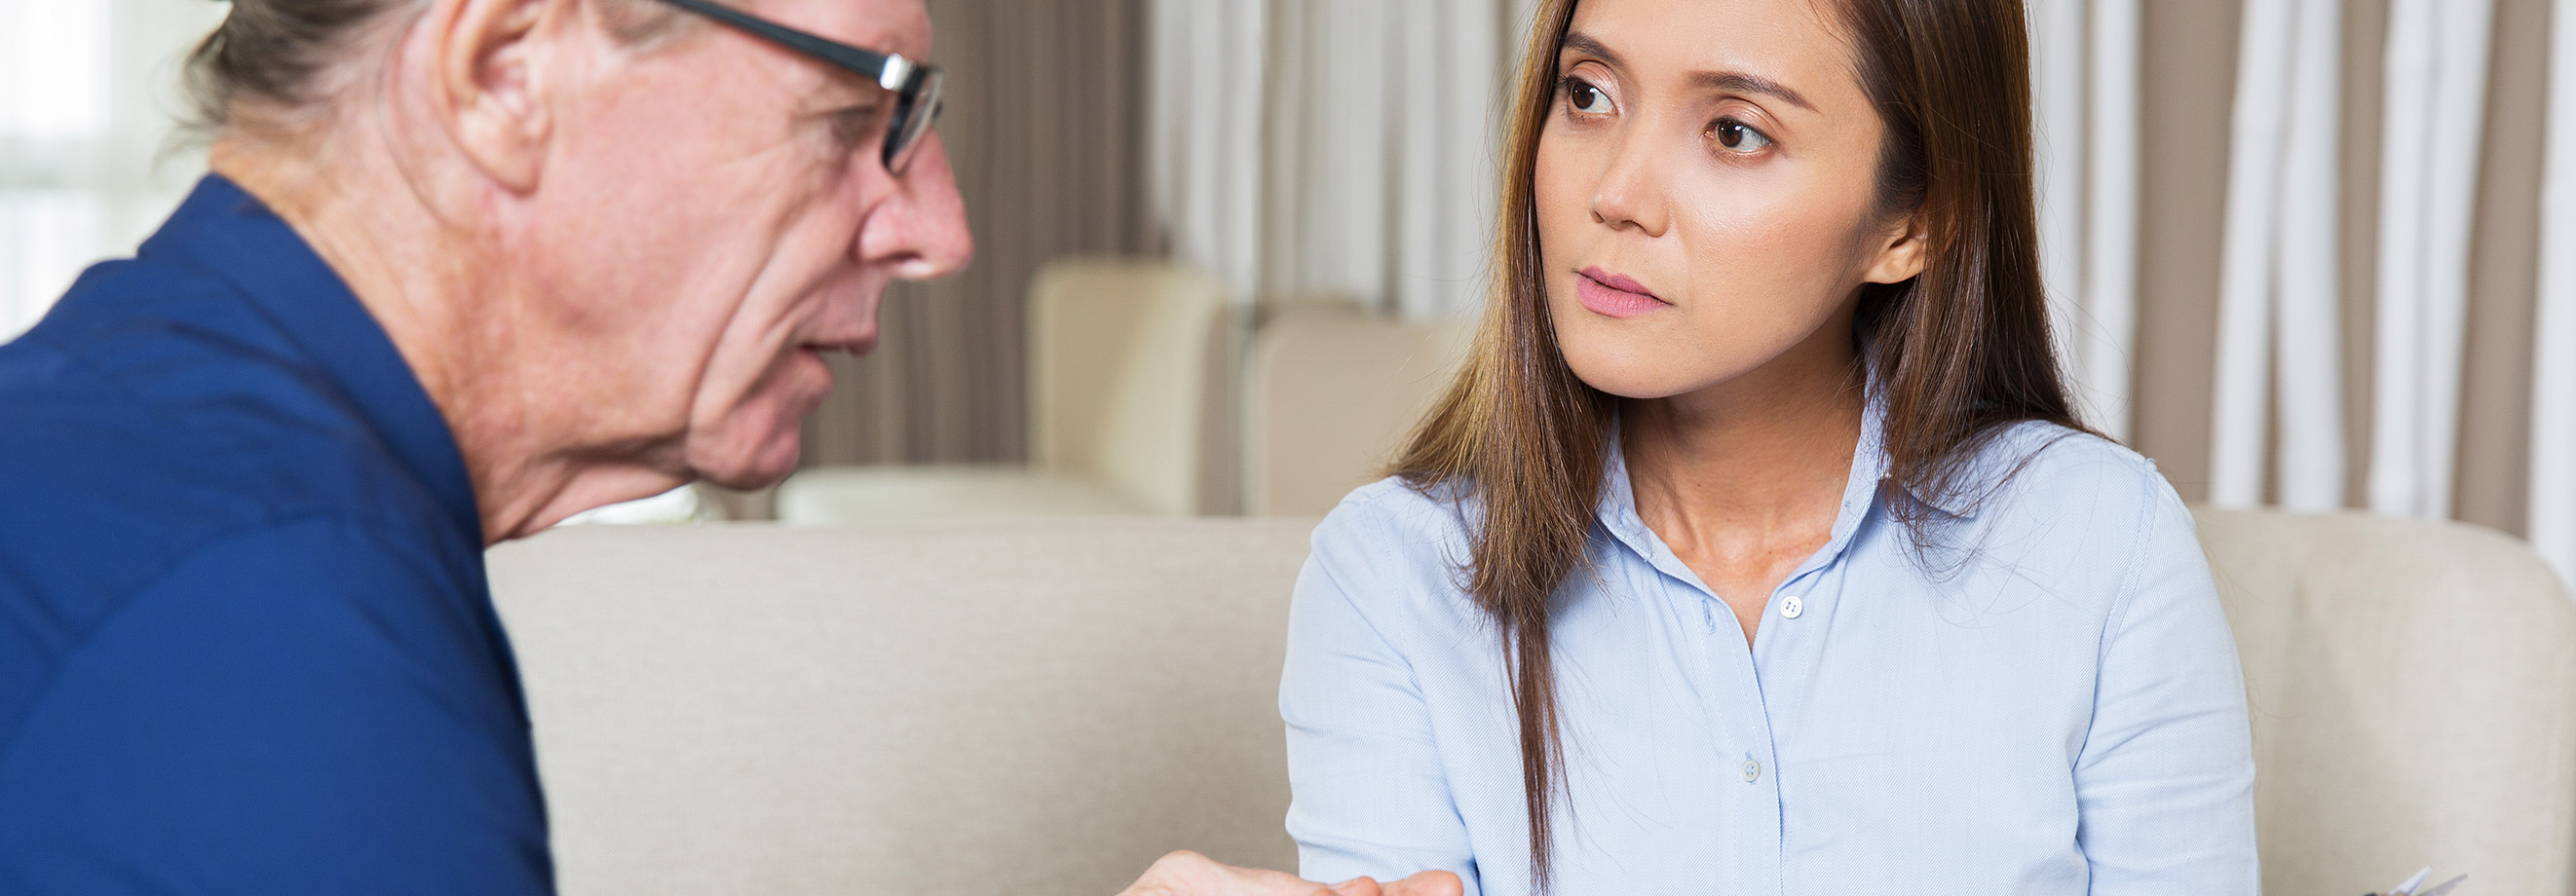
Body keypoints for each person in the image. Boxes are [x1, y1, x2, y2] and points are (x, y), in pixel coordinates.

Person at [0, 0, 1450, 894]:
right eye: (855, 115)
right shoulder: (272, 633)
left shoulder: (129, 420)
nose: (938, 229)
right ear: (505, 68)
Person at [1277, 0, 2260, 893]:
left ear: (1914, 222)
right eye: (1588, 94)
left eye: (1735, 132)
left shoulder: (2101, 546)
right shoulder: (1391, 579)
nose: (1617, 193)